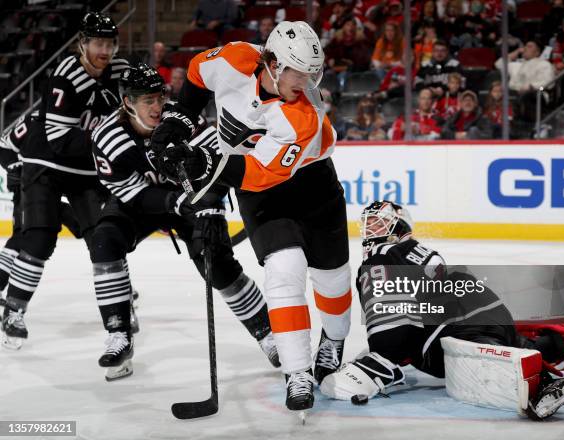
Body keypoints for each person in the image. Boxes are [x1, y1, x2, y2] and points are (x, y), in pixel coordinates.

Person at [149, 21, 352, 416]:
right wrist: (178, 120)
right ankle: (297, 372)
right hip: (263, 200)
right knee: (283, 268)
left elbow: (259, 173)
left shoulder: (305, 116)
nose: (309, 81)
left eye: (315, 72)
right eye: (300, 71)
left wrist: (205, 161)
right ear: (272, 63)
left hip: (313, 188)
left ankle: (335, 338)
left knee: (333, 280)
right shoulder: (234, 58)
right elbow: (195, 74)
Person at [89, 62, 278, 381]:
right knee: (105, 240)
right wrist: (174, 202)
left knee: (217, 261)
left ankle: (269, 335)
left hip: (191, 198)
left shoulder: (181, 119)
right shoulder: (108, 138)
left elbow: (217, 165)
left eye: (159, 97)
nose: (156, 106)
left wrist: (211, 205)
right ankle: (119, 334)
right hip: (144, 202)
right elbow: (132, 193)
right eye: (146, 100)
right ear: (127, 102)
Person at [320, 200, 564, 421]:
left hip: (461, 323)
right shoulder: (400, 255)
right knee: (522, 346)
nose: (371, 229)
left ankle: (540, 386)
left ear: (400, 226)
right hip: (474, 314)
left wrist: (382, 359)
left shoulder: (390, 253)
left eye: (379, 222)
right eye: (368, 224)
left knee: (489, 357)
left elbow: (396, 330)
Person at [0, 12, 130, 350]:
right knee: (39, 237)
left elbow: (146, 101)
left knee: (105, 239)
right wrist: (112, 137)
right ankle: (13, 309)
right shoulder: (65, 76)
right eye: (98, 43)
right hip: (46, 165)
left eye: (110, 43)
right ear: (82, 45)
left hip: (85, 171)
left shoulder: (120, 72)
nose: (105, 50)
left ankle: (118, 315)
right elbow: (58, 139)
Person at [0, 111, 82, 298]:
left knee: (93, 231)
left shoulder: (84, 115)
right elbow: (3, 145)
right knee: (23, 235)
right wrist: (16, 169)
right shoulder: (36, 117)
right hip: (31, 183)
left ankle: (118, 282)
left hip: (55, 185)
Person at [494, 40, 554, 123]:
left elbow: (549, 83)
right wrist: (517, 51)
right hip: (514, 93)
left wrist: (531, 86)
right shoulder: (517, 65)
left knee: (528, 96)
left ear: (537, 52)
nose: (525, 48)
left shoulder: (544, 64)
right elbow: (498, 64)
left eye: (529, 46)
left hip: (537, 92)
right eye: (525, 46)